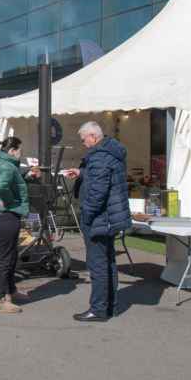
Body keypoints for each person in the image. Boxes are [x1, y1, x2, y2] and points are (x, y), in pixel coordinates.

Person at [64, 121, 131, 322]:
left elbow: (97, 192)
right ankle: (110, 305)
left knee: (98, 264)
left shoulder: (100, 156)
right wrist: (82, 173)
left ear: (93, 137)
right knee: (108, 261)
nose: (83, 143)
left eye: (84, 139)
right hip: (109, 217)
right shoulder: (109, 152)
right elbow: (101, 177)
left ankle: (99, 309)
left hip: (99, 218)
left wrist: (87, 213)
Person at [0, 137, 38, 313]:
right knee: (6, 260)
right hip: (6, 216)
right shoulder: (7, 166)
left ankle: (10, 291)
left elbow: (9, 182)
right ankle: (0, 299)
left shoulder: (3, 164)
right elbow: (0, 185)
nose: (21, 154)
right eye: (19, 151)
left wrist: (25, 176)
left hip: (3, 216)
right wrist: (11, 202)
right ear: (12, 151)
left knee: (11, 256)